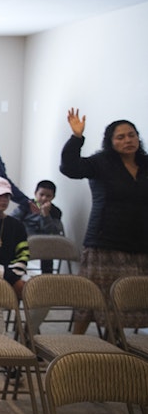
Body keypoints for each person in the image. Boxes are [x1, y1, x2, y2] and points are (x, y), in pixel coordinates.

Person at [60, 109, 148, 334]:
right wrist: (76, 138)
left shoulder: (145, 164)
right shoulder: (101, 162)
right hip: (104, 242)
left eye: (131, 135)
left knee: (128, 301)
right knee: (91, 299)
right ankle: (74, 348)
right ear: (111, 142)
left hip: (139, 244)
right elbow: (70, 168)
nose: (127, 140)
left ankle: (115, 347)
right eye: (120, 137)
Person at [0, 176, 47, 337]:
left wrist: (13, 277)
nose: (3, 200)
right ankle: (2, 344)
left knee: (43, 295)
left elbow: (23, 255)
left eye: (6, 196)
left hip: (13, 275)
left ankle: (28, 336)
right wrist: (12, 280)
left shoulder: (16, 225)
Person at [10, 180, 64, 273]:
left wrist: (45, 215)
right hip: (26, 238)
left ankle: (47, 278)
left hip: (46, 242)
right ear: (35, 193)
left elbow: (52, 232)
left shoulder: (55, 211)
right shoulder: (26, 205)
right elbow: (12, 220)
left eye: (48, 196)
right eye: (41, 194)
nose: (44, 198)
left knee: (48, 247)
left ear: (53, 197)